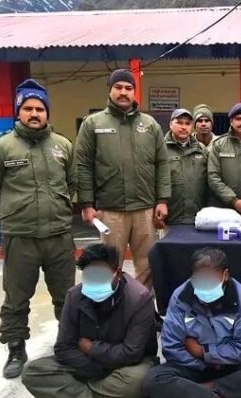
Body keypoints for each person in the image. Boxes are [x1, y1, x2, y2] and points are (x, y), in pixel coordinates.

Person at [0, 79, 77, 379]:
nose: (34, 114)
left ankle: (68, 344)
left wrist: (58, 208)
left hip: (59, 235)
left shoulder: (62, 146)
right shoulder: (1, 147)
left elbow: (72, 183)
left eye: (40, 109)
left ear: (47, 112)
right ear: (18, 111)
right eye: (28, 108)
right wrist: (11, 213)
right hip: (20, 237)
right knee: (16, 297)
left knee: (67, 297)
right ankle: (16, 348)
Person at [142, 247, 241, 398]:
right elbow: (172, 347)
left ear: (225, 275)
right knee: (152, 379)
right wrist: (202, 363)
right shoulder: (180, 297)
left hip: (228, 366)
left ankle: (193, 397)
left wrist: (204, 352)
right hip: (191, 367)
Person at [21, 243, 157, 398]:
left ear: (118, 272)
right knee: (32, 373)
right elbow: (63, 348)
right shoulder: (75, 295)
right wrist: (96, 369)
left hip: (128, 366)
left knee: (142, 380)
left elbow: (131, 353)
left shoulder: (139, 299)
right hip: (87, 365)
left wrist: (91, 348)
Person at [76, 68, 170, 291]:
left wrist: (162, 200)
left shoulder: (150, 125)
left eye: (128, 88)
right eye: (118, 87)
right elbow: (83, 165)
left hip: (145, 209)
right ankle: (111, 305)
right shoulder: (93, 124)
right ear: (110, 90)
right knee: (109, 265)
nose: (123, 92)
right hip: (110, 210)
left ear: (134, 92)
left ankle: (142, 306)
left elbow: (162, 163)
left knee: (148, 267)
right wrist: (86, 204)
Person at [163, 108, 208, 227]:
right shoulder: (160, 149)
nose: (184, 127)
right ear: (170, 124)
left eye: (187, 124)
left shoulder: (202, 150)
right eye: (179, 123)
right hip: (169, 218)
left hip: (198, 217)